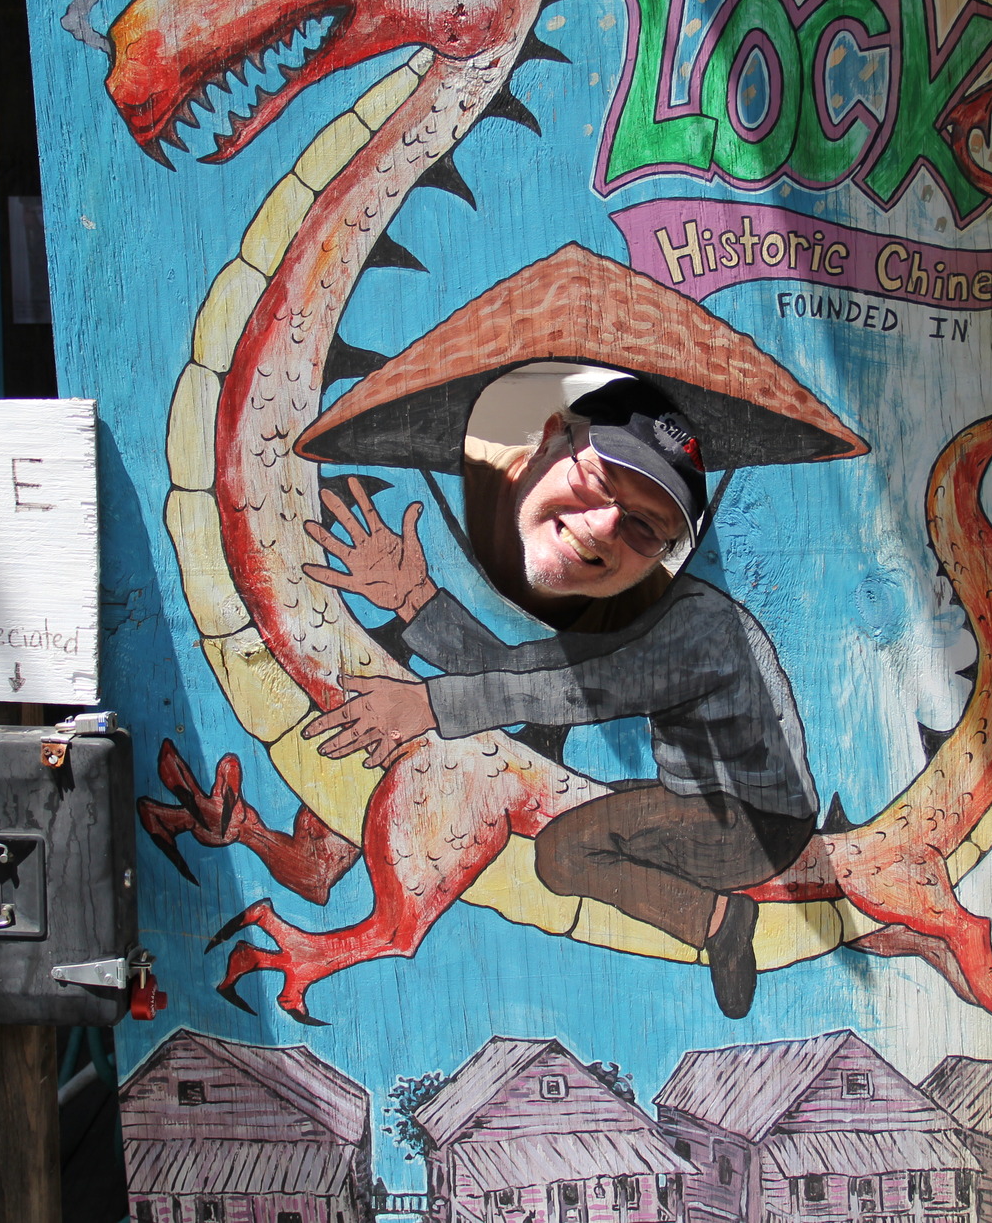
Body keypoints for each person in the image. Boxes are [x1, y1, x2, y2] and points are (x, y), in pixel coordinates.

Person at [299, 377, 819, 1017]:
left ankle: (716, 920)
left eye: (643, 527)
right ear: (551, 439)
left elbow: (570, 693)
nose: (603, 527)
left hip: (753, 824)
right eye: (600, 481)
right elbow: (519, 672)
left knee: (564, 852)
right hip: (706, 799)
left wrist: (428, 705)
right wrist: (415, 600)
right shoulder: (637, 606)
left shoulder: (696, 629)